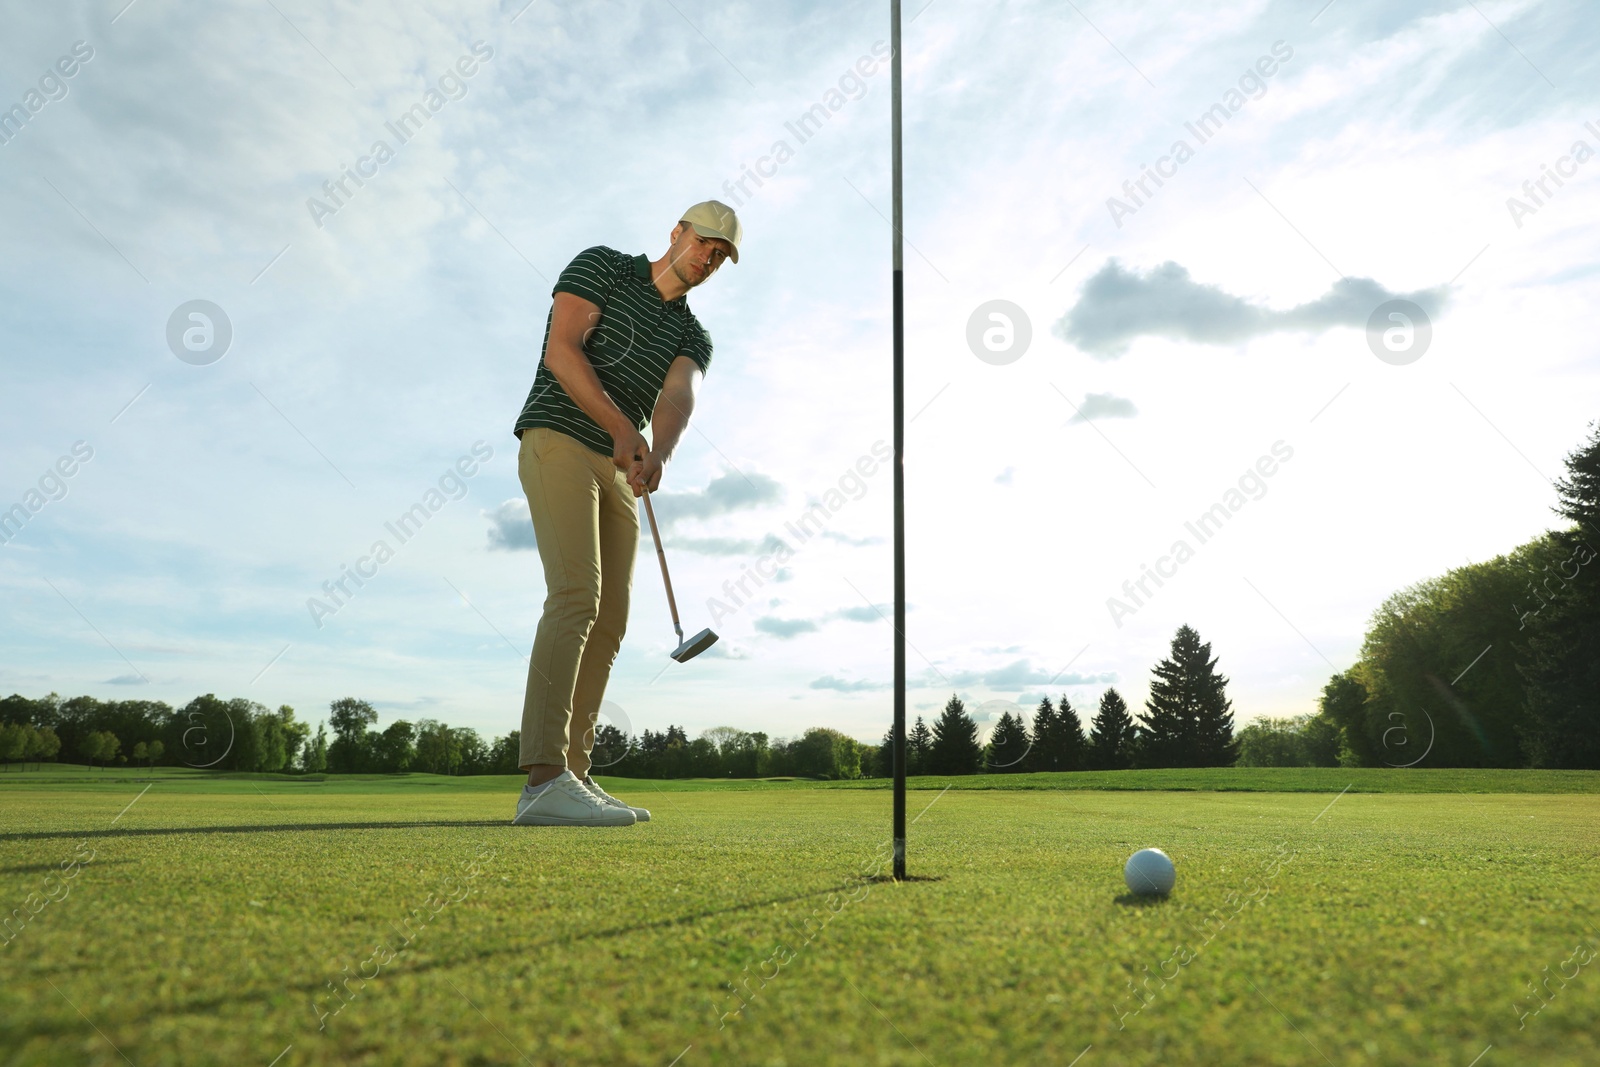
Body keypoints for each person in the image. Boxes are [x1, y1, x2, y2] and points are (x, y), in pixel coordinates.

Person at [509, 200, 741, 826]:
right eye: (703, 243)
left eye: (720, 255)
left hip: (617, 468)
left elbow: (677, 396)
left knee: (610, 618)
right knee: (576, 595)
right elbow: (562, 350)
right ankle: (543, 778)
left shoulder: (692, 334)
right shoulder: (604, 267)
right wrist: (620, 427)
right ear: (677, 232)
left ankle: (574, 777)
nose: (708, 258)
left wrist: (655, 451)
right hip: (558, 437)